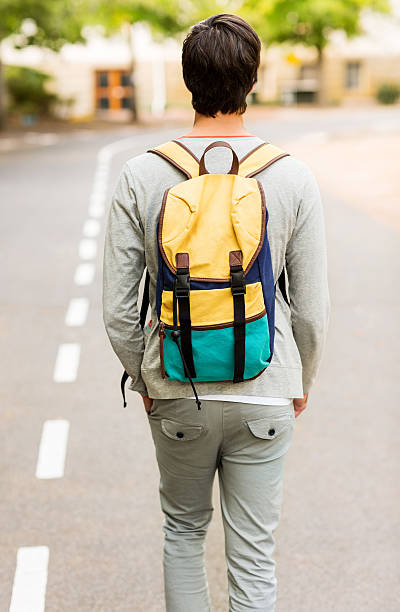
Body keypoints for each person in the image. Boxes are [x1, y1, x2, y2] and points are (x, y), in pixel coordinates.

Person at [102, 13, 330, 612]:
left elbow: (119, 311)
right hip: (267, 387)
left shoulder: (141, 174)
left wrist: (148, 376)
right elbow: (311, 310)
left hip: (178, 386)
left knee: (183, 532)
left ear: (187, 81)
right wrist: (299, 382)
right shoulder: (292, 177)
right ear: (252, 82)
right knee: (254, 554)